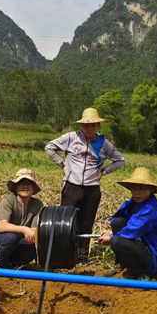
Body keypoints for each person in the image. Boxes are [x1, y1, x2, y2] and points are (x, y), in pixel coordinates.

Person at [45, 107, 125, 259]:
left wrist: (104, 171)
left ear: (98, 126)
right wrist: (62, 165)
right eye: (87, 125)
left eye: (93, 125)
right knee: (65, 222)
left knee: (86, 223)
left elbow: (120, 160)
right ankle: (63, 254)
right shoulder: (71, 137)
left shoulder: (104, 143)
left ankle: (81, 256)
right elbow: (50, 147)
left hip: (92, 189)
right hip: (71, 186)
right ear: (81, 126)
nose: (90, 128)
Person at [97, 167, 157, 280]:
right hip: (146, 242)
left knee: (116, 241)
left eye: (141, 188)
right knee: (118, 223)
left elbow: (132, 230)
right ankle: (121, 264)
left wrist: (111, 237)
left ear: (150, 189)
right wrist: (111, 232)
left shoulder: (149, 209)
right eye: (133, 188)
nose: (136, 192)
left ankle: (143, 273)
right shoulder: (137, 203)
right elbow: (130, 223)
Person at [0, 169, 44, 269]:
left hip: (17, 244)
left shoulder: (37, 205)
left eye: (29, 184)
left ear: (33, 188)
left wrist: (32, 234)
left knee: (37, 241)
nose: (25, 186)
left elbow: (34, 230)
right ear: (16, 187)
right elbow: (3, 227)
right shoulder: (8, 200)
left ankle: (14, 265)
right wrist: (25, 229)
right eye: (21, 183)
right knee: (10, 237)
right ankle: (0, 266)